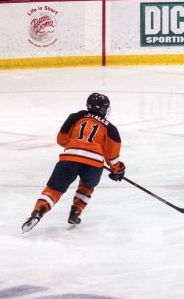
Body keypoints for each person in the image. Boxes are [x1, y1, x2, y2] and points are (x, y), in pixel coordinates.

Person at [21, 93, 125, 232]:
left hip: (69, 158)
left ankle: (38, 212)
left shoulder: (75, 117)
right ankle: (75, 213)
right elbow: (112, 156)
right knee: (87, 187)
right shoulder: (110, 128)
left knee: (53, 190)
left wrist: (76, 145)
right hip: (94, 164)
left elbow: (61, 140)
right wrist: (117, 169)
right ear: (102, 109)